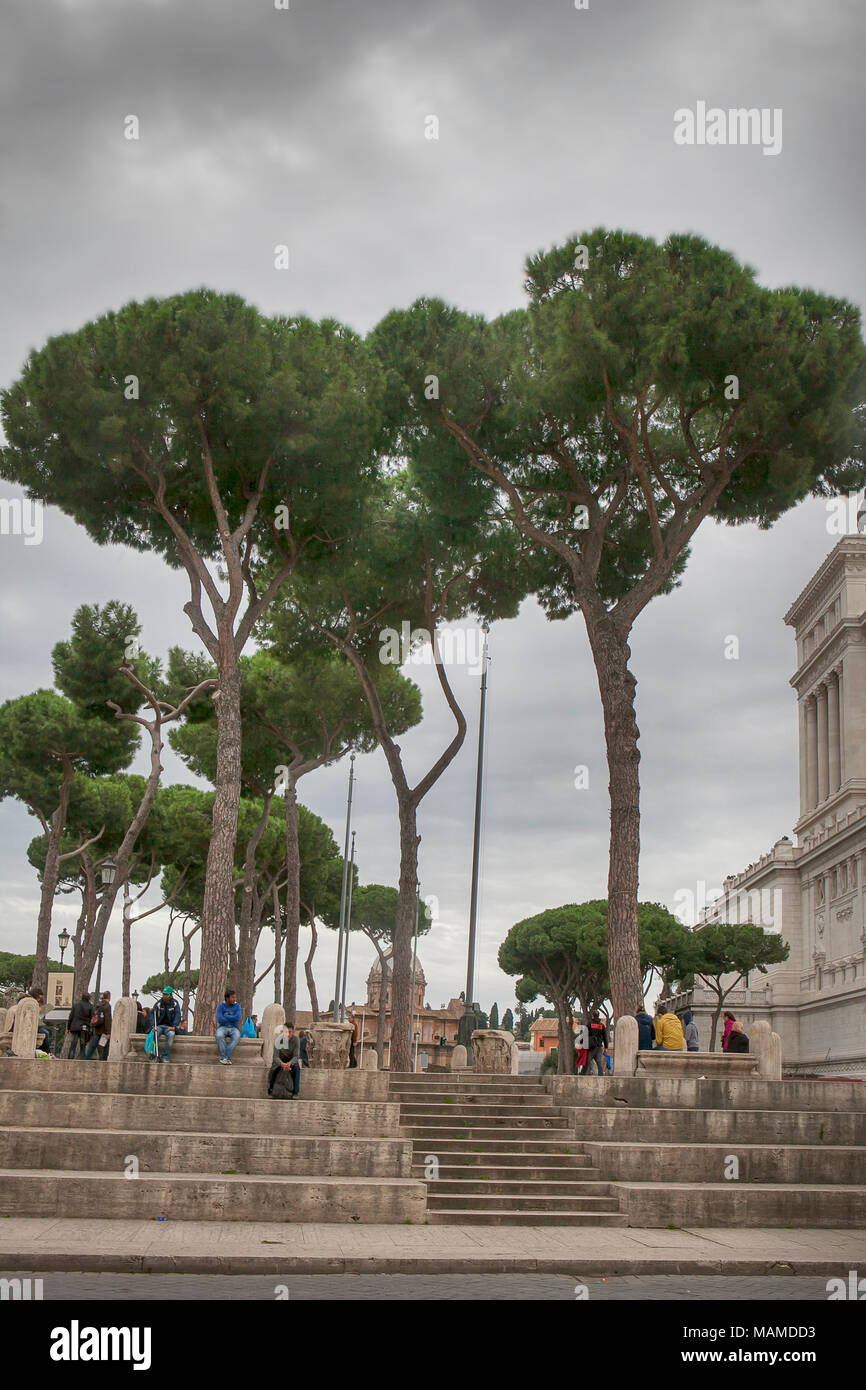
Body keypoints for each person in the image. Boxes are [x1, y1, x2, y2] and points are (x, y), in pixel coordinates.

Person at [268, 1021, 301, 1098]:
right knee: (273, 1069)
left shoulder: (296, 1040)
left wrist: (290, 1063)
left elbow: (296, 1056)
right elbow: (275, 1056)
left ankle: (295, 1092)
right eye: (286, 1032)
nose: (288, 1034)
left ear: (293, 1031)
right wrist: (281, 1064)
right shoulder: (278, 1040)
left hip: (290, 1060)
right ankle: (270, 1090)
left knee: (296, 1068)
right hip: (280, 1060)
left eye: (290, 1032)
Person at [152, 986, 181, 1063]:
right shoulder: (158, 1003)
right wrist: (153, 1026)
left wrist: (174, 1026)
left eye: (166, 994)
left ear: (170, 995)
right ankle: (155, 1055)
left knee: (171, 1035)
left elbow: (178, 1015)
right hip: (159, 1026)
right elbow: (152, 1015)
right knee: (155, 1033)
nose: (164, 996)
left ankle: (164, 1056)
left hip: (170, 1027)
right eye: (164, 994)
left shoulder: (175, 1003)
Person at [215, 989, 242, 1065]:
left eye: (235, 997)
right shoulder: (221, 1006)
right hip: (223, 1027)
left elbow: (237, 1018)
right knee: (219, 1035)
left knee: (237, 1037)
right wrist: (231, 1018)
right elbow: (220, 1019)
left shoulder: (237, 1006)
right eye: (232, 997)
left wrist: (226, 1016)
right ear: (227, 998)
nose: (234, 999)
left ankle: (225, 1057)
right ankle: (225, 1058)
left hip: (234, 1028)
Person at [84, 991, 112, 1059]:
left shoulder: (98, 1004)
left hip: (96, 1028)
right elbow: (107, 1019)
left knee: (92, 1045)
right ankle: (103, 1060)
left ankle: (86, 1058)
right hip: (104, 1030)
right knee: (104, 1046)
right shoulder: (107, 1006)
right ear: (109, 997)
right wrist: (109, 1032)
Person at [66, 992, 92, 1058]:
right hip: (84, 1027)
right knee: (82, 1044)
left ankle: (70, 1058)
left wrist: (68, 1028)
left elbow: (71, 1017)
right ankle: (81, 1058)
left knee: (73, 1044)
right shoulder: (90, 1006)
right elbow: (91, 1018)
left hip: (74, 1026)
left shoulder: (76, 1005)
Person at [583, 1010, 608, 1075]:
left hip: (591, 1046)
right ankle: (601, 1075)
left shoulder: (589, 1024)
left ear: (593, 1016)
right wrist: (606, 1047)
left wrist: (582, 1043)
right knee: (599, 1061)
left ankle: (582, 1074)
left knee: (587, 1060)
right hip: (599, 1046)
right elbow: (605, 1037)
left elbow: (585, 1035)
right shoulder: (601, 1026)